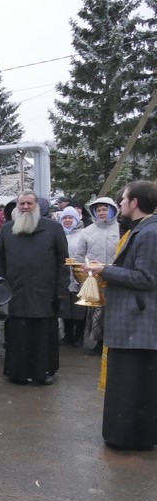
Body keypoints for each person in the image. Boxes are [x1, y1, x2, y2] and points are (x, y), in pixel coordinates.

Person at [87, 181, 157, 451]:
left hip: (136, 322)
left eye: (124, 199)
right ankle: (131, 435)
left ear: (135, 202)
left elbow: (147, 278)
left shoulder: (149, 233)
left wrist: (104, 270)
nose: (121, 203)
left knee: (129, 384)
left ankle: (128, 436)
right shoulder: (142, 229)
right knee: (132, 384)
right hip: (132, 323)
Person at [0, 191, 69, 386]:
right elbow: (0, 261)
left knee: (43, 335)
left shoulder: (53, 229)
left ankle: (43, 372)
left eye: (29, 203)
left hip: (44, 292)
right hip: (16, 291)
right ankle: (17, 372)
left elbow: (63, 261)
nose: (25, 207)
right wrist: (1, 289)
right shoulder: (7, 230)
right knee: (18, 334)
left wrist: (61, 291)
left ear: (37, 206)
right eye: (22, 204)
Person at [75, 196, 120, 356]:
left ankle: (114, 344)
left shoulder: (121, 229)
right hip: (95, 279)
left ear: (113, 210)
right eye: (98, 210)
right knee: (97, 313)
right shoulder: (87, 231)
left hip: (116, 278)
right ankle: (99, 343)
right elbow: (79, 255)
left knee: (114, 311)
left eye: (104, 209)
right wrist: (84, 273)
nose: (101, 212)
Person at [57, 207, 87, 348]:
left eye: (70, 218)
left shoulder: (83, 233)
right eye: (65, 218)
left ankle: (79, 336)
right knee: (65, 309)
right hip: (64, 276)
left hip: (78, 275)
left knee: (79, 308)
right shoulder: (58, 233)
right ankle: (67, 335)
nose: (67, 221)